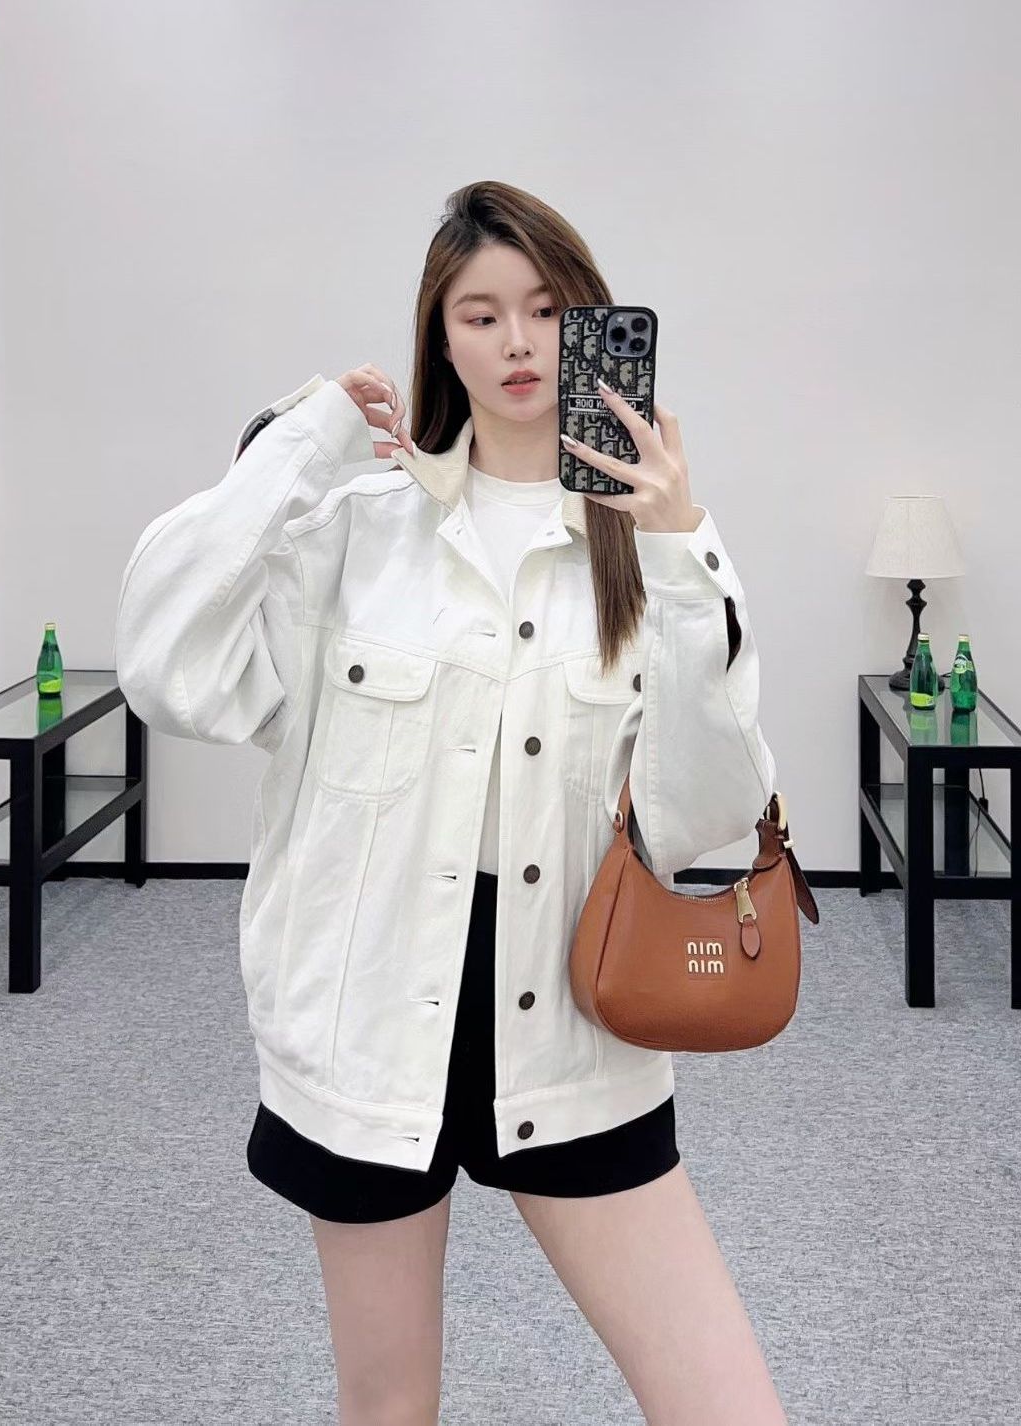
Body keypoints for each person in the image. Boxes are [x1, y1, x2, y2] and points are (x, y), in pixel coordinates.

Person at [114, 180, 788, 1425]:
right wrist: (300, 442)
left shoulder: (655, 548)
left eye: (546, 309)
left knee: (727, 1407)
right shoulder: (356, 528)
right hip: (368, 1024)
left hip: (573, 1026)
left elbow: (706, 812)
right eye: (481, 315)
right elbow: (167, 662)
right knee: (387, 1407)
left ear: (589, 323)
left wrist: (685, 552)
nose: (518, 342)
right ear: (441, 337)